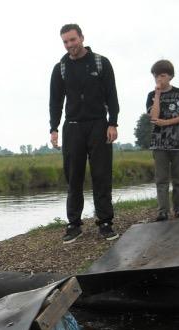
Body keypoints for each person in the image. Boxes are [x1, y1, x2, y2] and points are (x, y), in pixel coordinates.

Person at [49, 23, 120, 244]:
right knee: (74, 177)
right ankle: (74, 224)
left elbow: (112, 96)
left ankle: (105, 222)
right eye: (66, 41)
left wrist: (113, 123)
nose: (70, 45)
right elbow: (55, 101)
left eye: (73, 39)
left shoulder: (100, 62)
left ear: (81, 37)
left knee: (101, 174)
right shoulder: (60, 68)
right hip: (72, 127)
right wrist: (54, 128)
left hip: (98, 124)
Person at [146, 60, 179, 221]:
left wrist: (167, 123)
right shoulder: (151, 95)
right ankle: (162, 211)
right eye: (156, 76)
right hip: (159, 144)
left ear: (170, 76)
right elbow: (154, 117)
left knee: (178, 178)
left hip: (178, 143)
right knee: (161, 179)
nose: (159, 79)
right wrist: (157, 95)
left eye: (162, 75)